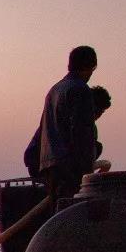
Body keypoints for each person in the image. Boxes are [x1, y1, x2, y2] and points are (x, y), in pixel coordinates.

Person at [33, 45, 98, 203]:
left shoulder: (54, 90)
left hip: (50, 168)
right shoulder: (80, 89)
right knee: (75, 219)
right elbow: (82, 133)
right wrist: (87, 170)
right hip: (71, 169)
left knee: (59, 216)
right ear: (92, 66)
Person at [25, 83, 111, 178]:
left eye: (101, 112)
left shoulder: (87, 125)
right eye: (96, 111)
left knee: (96, 147)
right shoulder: (71, 119)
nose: (97, 115)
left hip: (53, 163)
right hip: (45, 164)